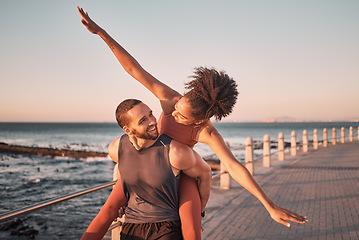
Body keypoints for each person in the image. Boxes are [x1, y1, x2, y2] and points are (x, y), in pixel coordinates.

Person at [77, 6, 307, 238]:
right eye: (176, 107)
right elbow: (133, 69)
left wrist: (269, 206)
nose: (172, 114)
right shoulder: (170, 99)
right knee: (107, 210)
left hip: (179, 171)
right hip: (148, 164)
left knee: (190, 228)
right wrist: (101, 33)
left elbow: (234, 167)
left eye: (181, 116)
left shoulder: (207, 132)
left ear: (198, 120)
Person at [80, 99, 211, 240]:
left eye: (151, 114)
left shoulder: (175, 151)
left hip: (166, 227)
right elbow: (130, 173)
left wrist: (200, 212)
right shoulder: (116, 149)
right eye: (143, 120)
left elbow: (205, 173)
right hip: (132, 226)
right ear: (127, 130)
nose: (152, 121)